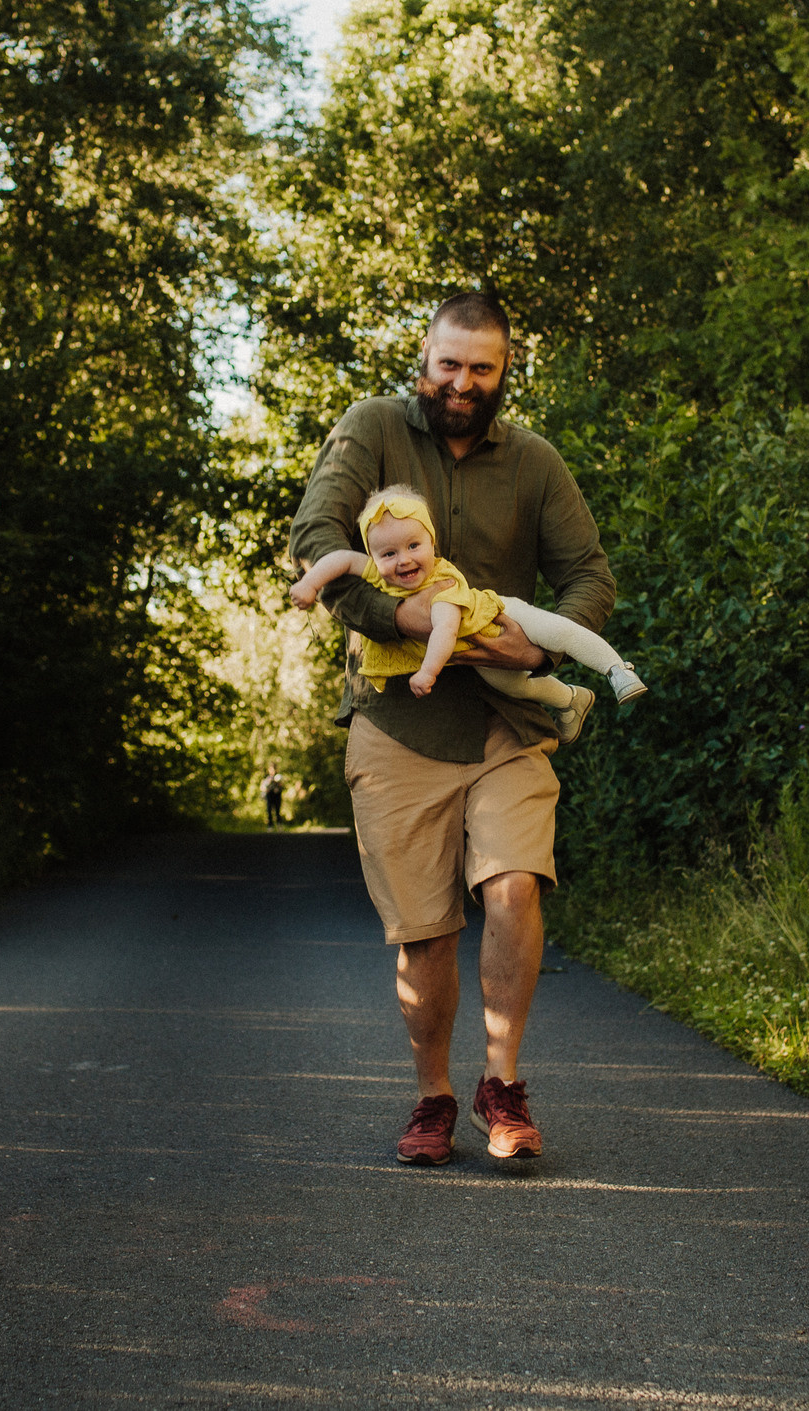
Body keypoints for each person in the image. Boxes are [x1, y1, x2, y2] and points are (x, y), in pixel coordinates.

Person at [287, 290, 616, 1167]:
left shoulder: (535, 462)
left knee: (514, 885)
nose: (462, 383)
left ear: (506, 371)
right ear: (423, 359)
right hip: (398, 724)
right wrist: (394, 623)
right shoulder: (373, 428)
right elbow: (315, 532)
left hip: (507, 722)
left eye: (482, 368)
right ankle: (433, 1094)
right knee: (425, 930)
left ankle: (500, 1085)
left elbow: (588, 574)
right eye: (449, 364)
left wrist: (535, 650)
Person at [287, 485, 646, 743]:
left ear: (432, 543)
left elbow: (443, 631)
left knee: (558, 630)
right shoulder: (381, 578)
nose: (404, 559)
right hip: (480, 654)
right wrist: (310, 584)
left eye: (414, 545)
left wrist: (428, 672)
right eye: (388, 553)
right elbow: (342, 559)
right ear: (375, 556)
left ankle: (617, 670)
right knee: (516, 685)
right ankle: (571, 699)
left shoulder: (441, 587)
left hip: (505, 614)